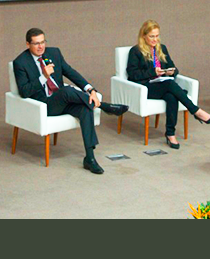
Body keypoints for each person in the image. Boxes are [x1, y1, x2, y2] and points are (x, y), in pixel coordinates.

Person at [13, 28, 128, 174]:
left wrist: (91, 90)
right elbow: (24, 92)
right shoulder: (20, 62)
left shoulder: (54, 53)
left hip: (62, 100)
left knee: (85, 109)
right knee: (67, 91)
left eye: (43, 42)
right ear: (28, 44)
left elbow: (71, 73)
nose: (41, 47)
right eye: (36, 44)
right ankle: (104, 106)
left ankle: (90, 158)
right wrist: (43, 77)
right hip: (44, 105)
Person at [127, 20, 210, 149]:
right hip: (145, 87)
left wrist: (171, 72)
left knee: (171, 96)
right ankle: (196, 111)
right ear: (144, 36)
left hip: (163, 84)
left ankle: (170, 134)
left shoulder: (161, 48)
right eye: (152, 36)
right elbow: (133, 74)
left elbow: (173, 67)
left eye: (157, 36)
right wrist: (153, 72)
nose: (155, 39)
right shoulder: (135, 51)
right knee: (170, 85)